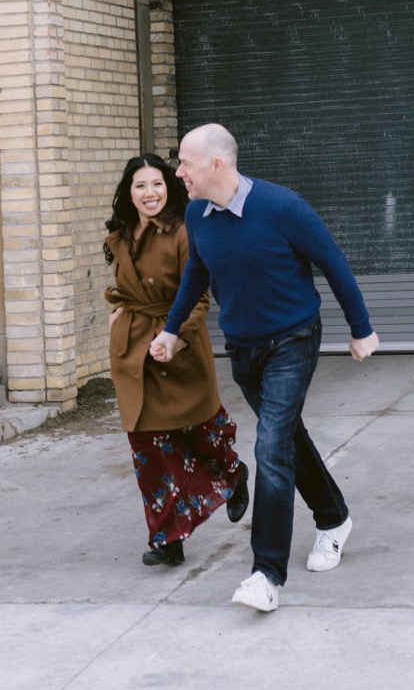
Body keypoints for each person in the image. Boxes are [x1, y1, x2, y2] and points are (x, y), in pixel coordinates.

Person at [155, 123, 380, 613]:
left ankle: (266, 574)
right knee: (287, 439)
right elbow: (198, 270)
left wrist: (360, 329)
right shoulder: (197, 214)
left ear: (217, 164)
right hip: (243, 347)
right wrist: (171, 331)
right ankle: (334, 517)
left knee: (271, 446)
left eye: (185, 163)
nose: (179, 172)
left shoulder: (282, 207)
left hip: (293, 339)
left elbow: (333, 261)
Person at [104, 152, 249, 567]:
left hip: (176, 342)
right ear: (128, 194)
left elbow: (200, 298)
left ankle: (234, 474)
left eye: (157, 184)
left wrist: (176, 338)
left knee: (200, 431)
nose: (150, 193)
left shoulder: (185, 231)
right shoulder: (123, 233)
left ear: (169, 187)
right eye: (140, 186)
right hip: (134, 350)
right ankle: (168, 538)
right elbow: (126, 287)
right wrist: (119, 311)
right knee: (148, 447)